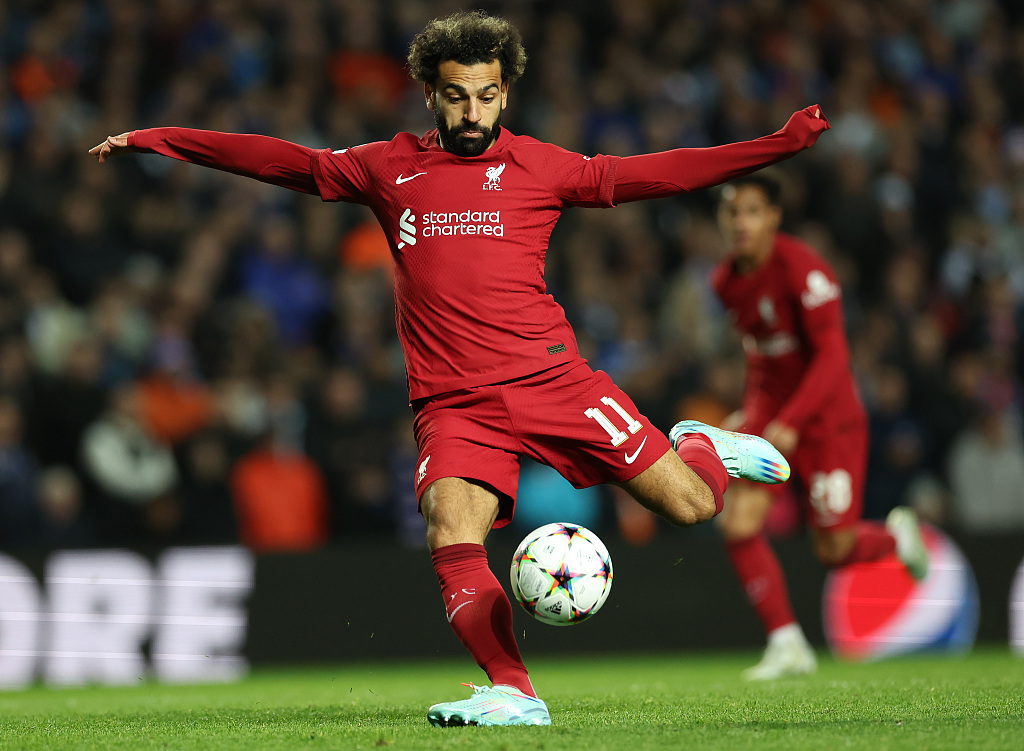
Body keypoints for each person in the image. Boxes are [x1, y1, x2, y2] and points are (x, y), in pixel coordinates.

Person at [92, 10, 828, 727]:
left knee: (697, 505)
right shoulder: (389, 167)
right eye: (456, 95)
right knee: (451, 528)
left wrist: (775, 145)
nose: (472, 111)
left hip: (553, 383)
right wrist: (164, 140)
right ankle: (514, 689)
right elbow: (288, 161)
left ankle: (702, 443)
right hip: (454, 403)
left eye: (486, 95)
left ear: (505, 93)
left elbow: (664, 173)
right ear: (430, 94)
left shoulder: (544, 166)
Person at [709, 173, 930, 681]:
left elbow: (833, 358)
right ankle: (787, 643)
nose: (740, 223)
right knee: (738, 523)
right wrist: (754, 415)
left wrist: (789, 421)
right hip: (775, 416)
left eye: (751, 211)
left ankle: (896, 540)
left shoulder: (804, 271)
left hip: (829, 421)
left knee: (834, 548)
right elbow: (761, 359)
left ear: (774, 217)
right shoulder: (726, 282)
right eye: (731, 213)